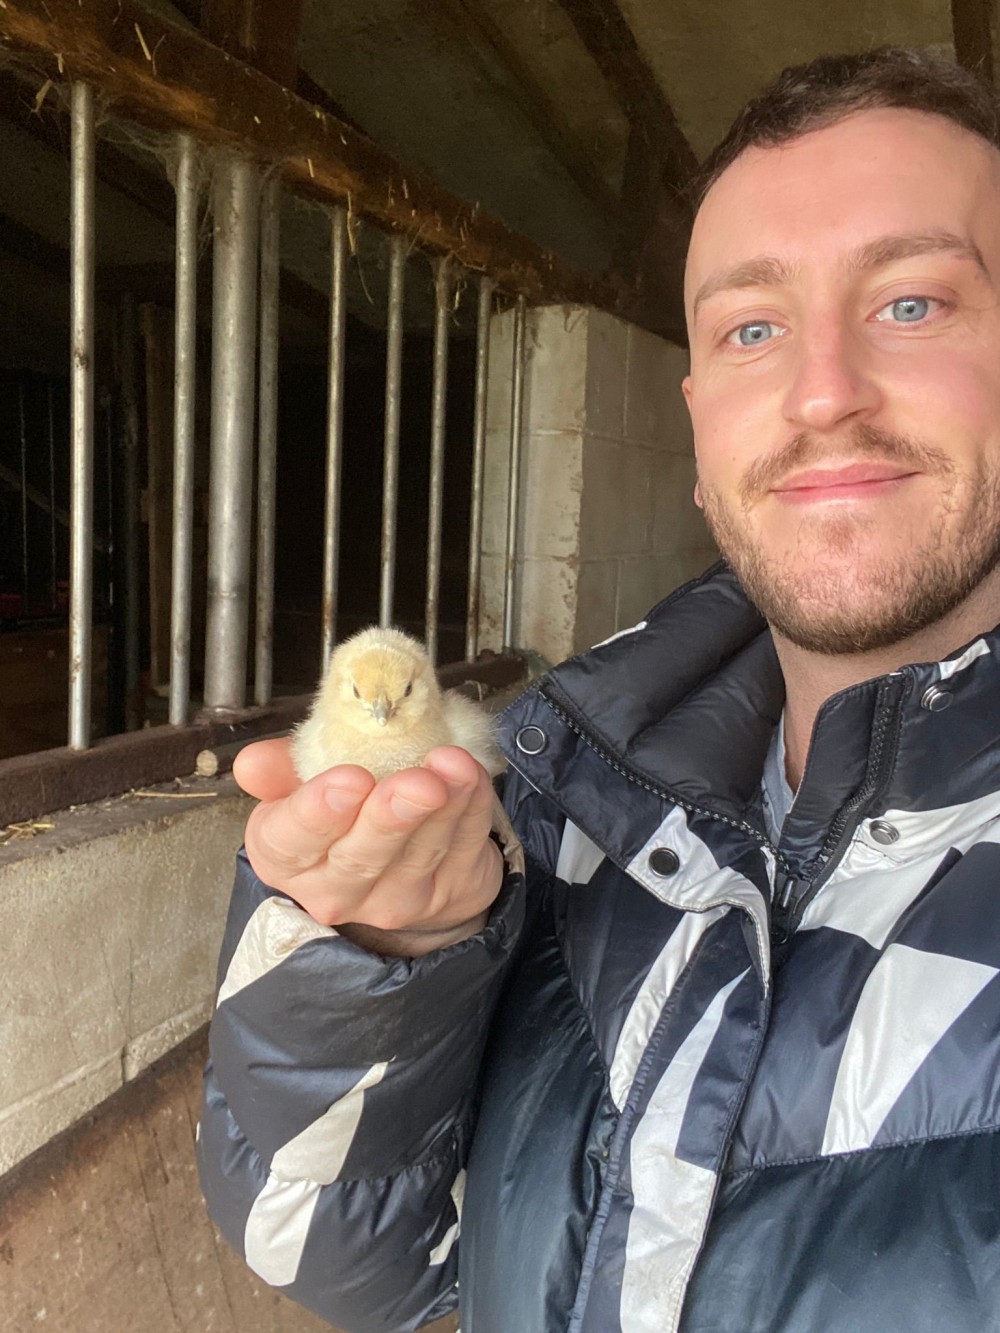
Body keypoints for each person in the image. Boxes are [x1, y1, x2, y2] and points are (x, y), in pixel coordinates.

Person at [198, 47, 1000, 1333]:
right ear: (696, 430)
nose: (822, 392)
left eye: (911, 303)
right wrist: (385, 962)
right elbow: (357, 1266)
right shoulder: (577, 811)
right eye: (752, 327)